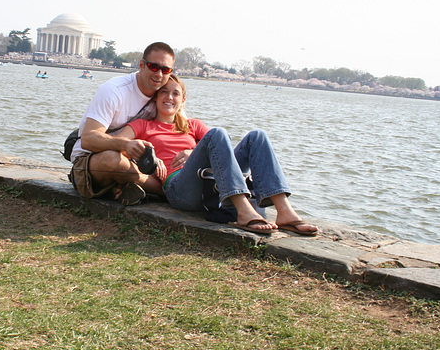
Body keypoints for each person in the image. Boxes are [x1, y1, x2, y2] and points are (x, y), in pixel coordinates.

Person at [116, 74, 319, 235]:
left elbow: (223, 150)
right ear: (156, 97)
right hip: (179, 189)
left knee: (257, 137)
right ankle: (244, 210)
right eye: (164, 92)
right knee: (217, 133)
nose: (169, 97)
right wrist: (149, 157)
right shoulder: (144, 125)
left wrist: (193, 152)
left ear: (183, 100)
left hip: (209, 182)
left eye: (175, 93)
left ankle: (284, 212)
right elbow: (120, 144)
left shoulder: (192, 125)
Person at [69, 42, 192, 205]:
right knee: (113, 160)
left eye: (166, 70)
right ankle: (165, 192)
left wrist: (191, 152)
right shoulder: (114, 90)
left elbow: (182, 131)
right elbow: (88, 138)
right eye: (154, 67)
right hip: (92, 160)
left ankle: (127, 187)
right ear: (142, 65)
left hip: (137, 162)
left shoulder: (163, 96)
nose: (159, 74)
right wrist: (124, 145)